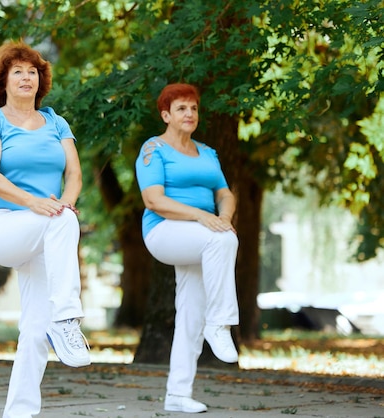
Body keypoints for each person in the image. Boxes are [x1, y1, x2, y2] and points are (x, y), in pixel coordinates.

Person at [0, 41, 90, 418]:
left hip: (46, 230)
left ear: (40, 81)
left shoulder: (55, 120)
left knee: (35, 329)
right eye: (17, 71)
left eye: (32, 71)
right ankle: (68, 318)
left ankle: (19, 412)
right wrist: (35, 203)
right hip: (2, 226)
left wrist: (65, 203)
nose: (26, 77)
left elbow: (74, 174)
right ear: (2, 81)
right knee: (61, 221)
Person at [135, 83, 239, 414]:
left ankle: (178, 394)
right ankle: (221, 322)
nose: (189, 114)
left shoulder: (208, 153)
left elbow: (225, 193)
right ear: (166, 115)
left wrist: (222, 215)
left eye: (193, 108)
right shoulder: (154, 149)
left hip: (201, 238)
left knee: (191, 312)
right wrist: (203, 217)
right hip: (165, 232)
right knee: (224, 239)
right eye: (181, 108)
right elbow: (154, 200)